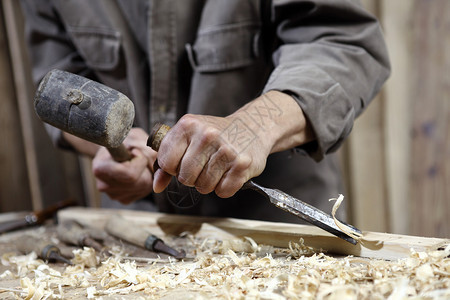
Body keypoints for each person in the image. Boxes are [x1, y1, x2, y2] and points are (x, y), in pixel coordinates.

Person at [20, 0, 390, 223]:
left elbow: (343, 42)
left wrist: (254, 126)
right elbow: (60, 89)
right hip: (140, 231)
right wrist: (115, 148)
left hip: (273, 225)